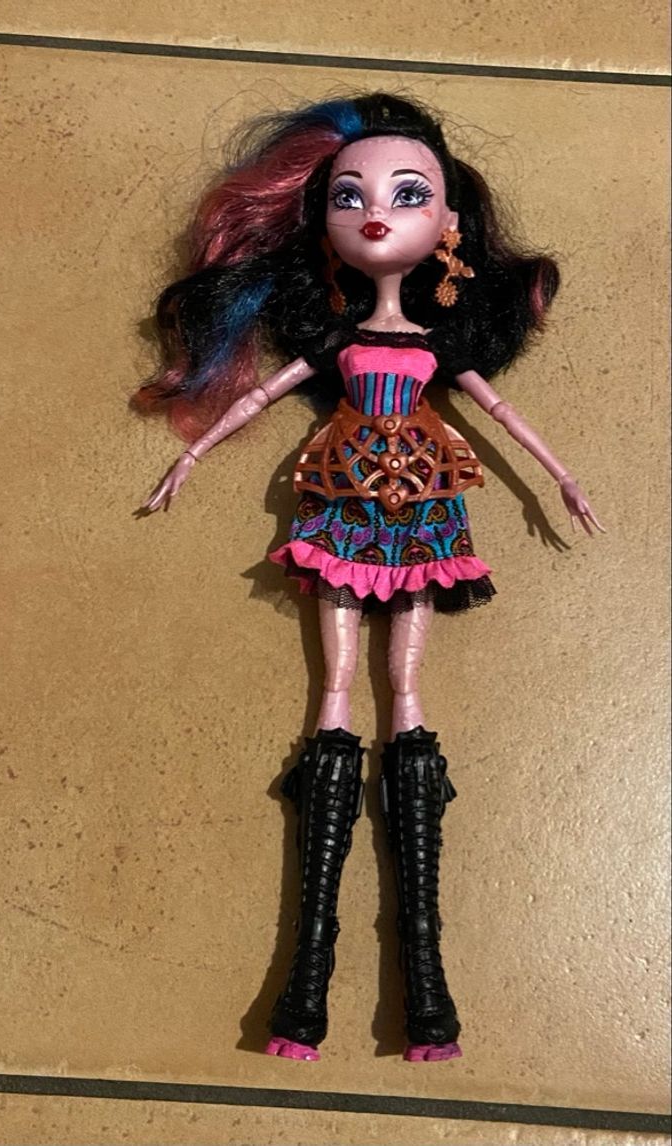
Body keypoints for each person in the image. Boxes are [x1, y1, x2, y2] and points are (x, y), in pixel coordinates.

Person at [135, 93, 603, 1063]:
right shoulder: (338, 345)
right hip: (344, 501)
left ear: (449, 224)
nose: (376, 213)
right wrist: (191, 453)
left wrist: (559, 476)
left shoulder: (437, 347)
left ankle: (426, 987)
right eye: (349, 196)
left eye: (406, 194)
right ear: (323, 226)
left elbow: (500, 415)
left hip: (420, 502)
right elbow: (260, 397)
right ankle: (305, 987)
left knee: (403, 694)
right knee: (336, 695)